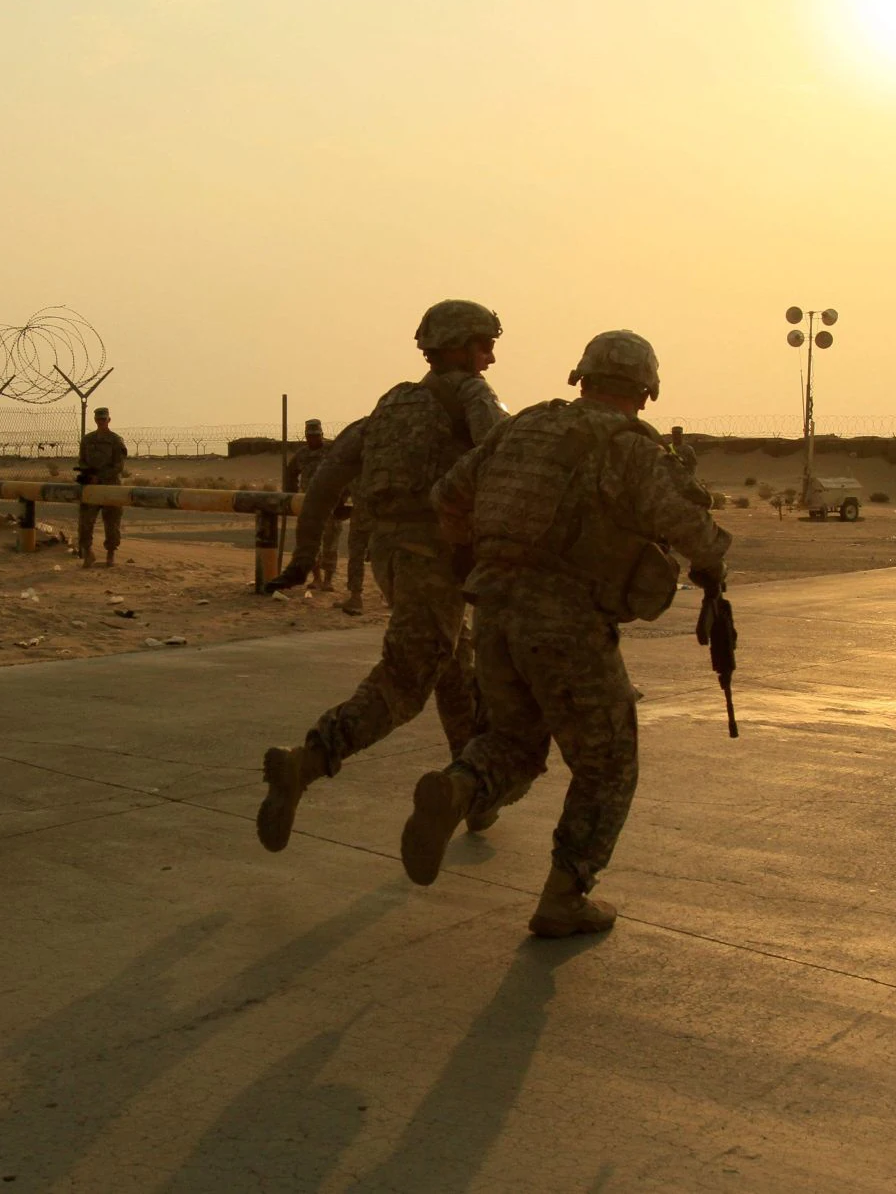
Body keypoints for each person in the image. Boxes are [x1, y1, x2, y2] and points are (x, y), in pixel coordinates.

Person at [399, 330, 731, 938]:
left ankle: (458, 786)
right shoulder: (631, 447)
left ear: (581, 378)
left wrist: (477, 552)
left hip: (495, 609)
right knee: (608, 764)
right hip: (567, 624)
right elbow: (687, 524)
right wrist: (714, 563)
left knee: (517, 743)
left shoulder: (520, 427)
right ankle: (565, 896)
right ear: (646, 390)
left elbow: (448, 494)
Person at [257, 299, 507, 852]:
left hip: (391, 557)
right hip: (435, 557)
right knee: (407, 679)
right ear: (461, 347)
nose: (490, 358)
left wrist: (302, 559)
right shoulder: (470, 395)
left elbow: (325, 482)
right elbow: (505, 453)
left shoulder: (389, 408)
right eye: (484, 345)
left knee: (453, 664)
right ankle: (310, 760)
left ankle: (472, 792)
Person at [283, 419, 343, 591]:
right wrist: (292, 496)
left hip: (330, 503)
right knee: (310, 543)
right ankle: (317, 578)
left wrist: (343, 496)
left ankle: (328, 580)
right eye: (310, 436)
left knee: (330, 543)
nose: (313, 439)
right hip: (308, 504)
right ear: (305, 436)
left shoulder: (332, 451)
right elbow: (290, 474)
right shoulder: (302, 455)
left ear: (322, 435)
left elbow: (345, 472)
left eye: (316, 436)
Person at [76, 407, 128, 568]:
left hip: (110, 485)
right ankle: (88, 552)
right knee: (85, 521)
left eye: (104, 419)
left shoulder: (115, 440)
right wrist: (88, 474)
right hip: (92, 485)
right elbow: (82, 460)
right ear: (95, 420)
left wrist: (101, 476)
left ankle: (110, 553)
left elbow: (118, 466)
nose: (101, 422)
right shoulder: (87, 440)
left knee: (112, 522)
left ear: (108, 420)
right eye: (99, 419)